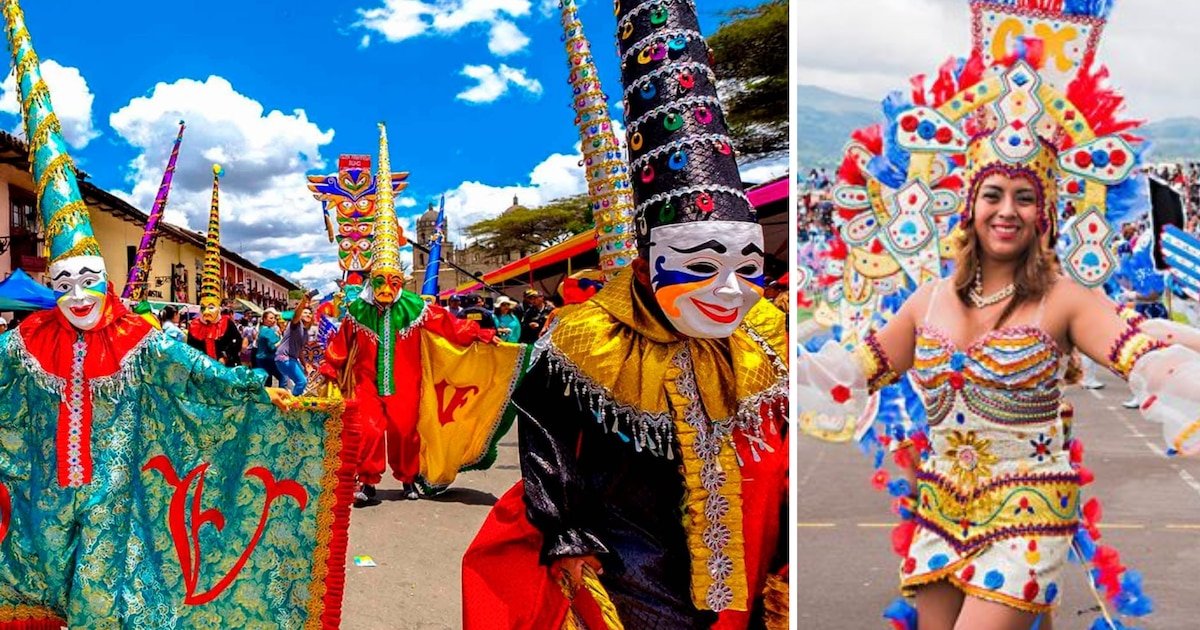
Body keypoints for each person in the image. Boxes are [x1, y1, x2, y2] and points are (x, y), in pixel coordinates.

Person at [796, 16, 1200, 628]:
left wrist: (1179, 347)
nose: (1006, 211)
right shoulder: (927, 301)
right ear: (969, 202)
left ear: (1045, 211)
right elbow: (849, 371)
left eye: (1024, 196)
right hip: (939, 512)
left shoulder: (1066, 299)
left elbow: (1142, 358)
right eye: (993, 195)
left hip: (1028, 515)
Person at [0, 5, 358, 625]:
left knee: (102, 587)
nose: (79, 296)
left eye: (89, 280)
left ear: (108, 283)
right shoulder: (26, 340)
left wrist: (271, 395)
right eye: (64, 285)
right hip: (45, 492)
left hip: (119, 485)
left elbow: (207, 376)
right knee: (43, 574)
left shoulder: (141, 338)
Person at [463, 3, 788, 627]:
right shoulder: (585, 339)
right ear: (645, 268)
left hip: (749, 555)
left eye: (747, 267)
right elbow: (546, 435)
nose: (730, 291)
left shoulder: (766, 339)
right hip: (629, 554)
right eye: (699, 265)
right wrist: (564, 530)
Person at [185, 166, 242, 366]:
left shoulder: (227, 324)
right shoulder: (194, 326)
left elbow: (236, 343)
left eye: (210, 306)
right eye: (203, 307)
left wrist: (225, 356)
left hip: (223, 367)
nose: (206, 311)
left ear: (218, 307)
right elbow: (191, 348)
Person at [275, 296, 314, 396]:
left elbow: (299, 351)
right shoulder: (296, 324)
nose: (308, 315)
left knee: (304, 381)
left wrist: (305, 365)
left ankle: (290, 401)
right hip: (284, 358)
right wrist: (303, 301)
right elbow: (296, 314)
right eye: (305, 313)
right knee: (302, 382)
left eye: (310, 313)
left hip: (291, 359)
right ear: (300, 315)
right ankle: (292, 405)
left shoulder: (305, 332)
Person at [255, 308, 284, 386]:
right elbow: (272, 347)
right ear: (264, 319)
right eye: (271, 318)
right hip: (268, 358)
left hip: (261, 359)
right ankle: (282, 395)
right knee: (282, 377)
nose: (273, 320)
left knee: (267, 381)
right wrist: (282, 340)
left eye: (274, 318)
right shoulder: (268, 331)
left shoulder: (263, 329)